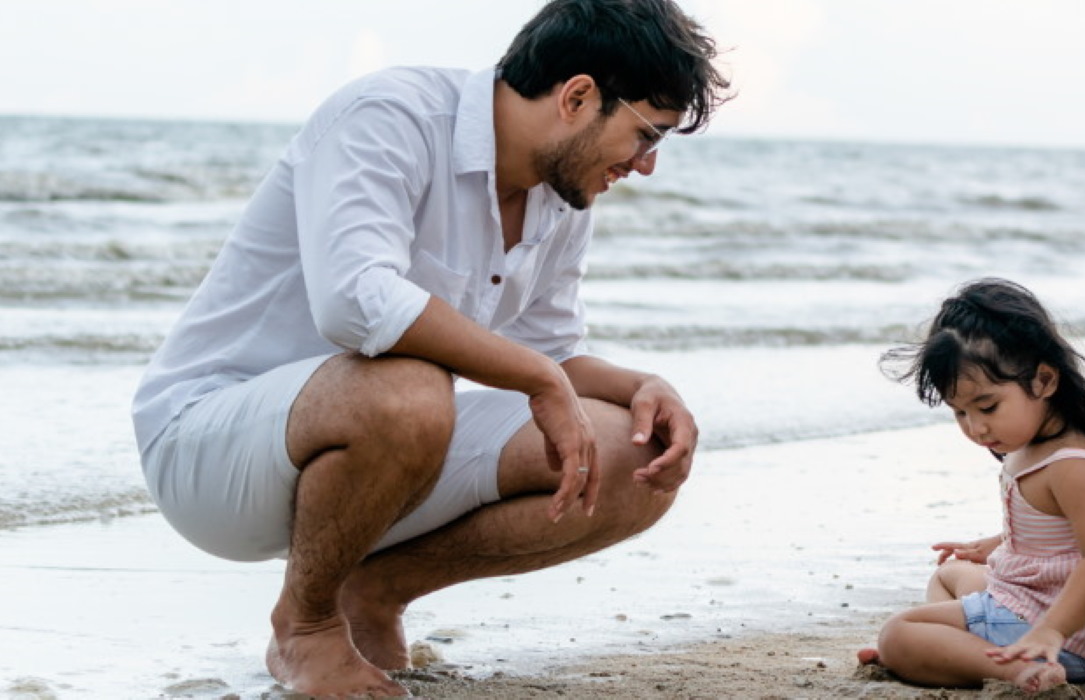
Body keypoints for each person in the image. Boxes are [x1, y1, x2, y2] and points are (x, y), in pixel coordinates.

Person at [129, 1, 730, 696]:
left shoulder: (560, 196)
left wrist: (642, 388)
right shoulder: (392, 115)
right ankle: (306, 626)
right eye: (645, 134)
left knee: (634, 453)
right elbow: (355, 300)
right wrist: (536, 376)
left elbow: (551, 352)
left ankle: (370, 594)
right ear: (577, 96)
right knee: (408, 385)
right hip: (210, 451)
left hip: (379, 460)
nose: (647, 165)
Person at [861, 278, 1085, 693]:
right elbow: (1062, 531)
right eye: (959, 413)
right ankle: (955, 654)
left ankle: (1014, 669)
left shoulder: (1071, 463)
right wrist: (997, 543)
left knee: (897, 632)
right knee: (952, 575)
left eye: (987, 407)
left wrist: (1050, 632)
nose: (976, 428)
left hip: (1060, 637)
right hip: (1045, 613)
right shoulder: (1037, 441)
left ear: (1044, 380)